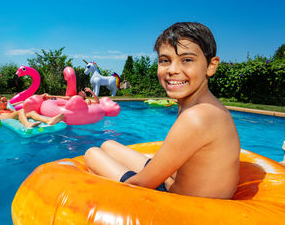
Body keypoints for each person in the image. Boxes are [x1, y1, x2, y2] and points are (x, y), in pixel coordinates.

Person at [84, 22, 240, 199]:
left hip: (183, 205)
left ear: (211, 66)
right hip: (183, 187)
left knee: (92, 154)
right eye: (165, 60)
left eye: (187, 60)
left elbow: (139, 186)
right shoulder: (208, 107)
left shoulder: (197, 117)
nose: (173, 70)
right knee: (107, 145)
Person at [0, 95, 65, 128]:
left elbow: (19, 113)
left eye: (6, 101)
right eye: (3, 101)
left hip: (13, 117)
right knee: (21, 111)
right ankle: (27, 124)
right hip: (5, 119)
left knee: (32, 112)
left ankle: (49, 120)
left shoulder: (9, 109)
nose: (6, 103)